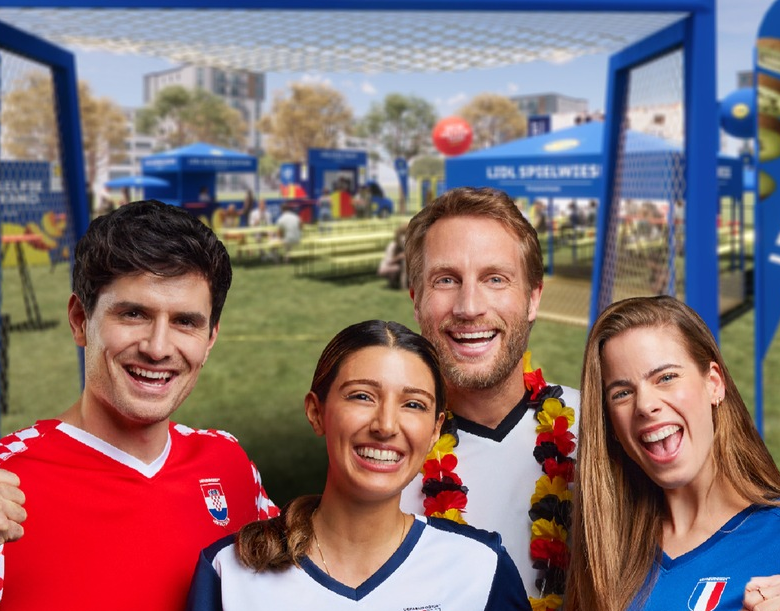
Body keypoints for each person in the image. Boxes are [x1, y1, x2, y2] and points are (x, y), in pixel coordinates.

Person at [0, 200, 278, 611]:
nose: (157, 347)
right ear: (81, 320)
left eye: (185, 322)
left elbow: (308, 572)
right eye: (134, 314)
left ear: (210, 339)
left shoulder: (229, 464)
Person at [569, 296, 780, 611]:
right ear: (610, 424)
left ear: (714, 383)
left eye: (666, 377)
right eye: (622, 393)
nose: (645, 405)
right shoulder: (604, 553)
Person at [187, 320, 529, 611]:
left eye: (413, 404)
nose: (386, 425)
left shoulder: (480, 568)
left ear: (435, 430)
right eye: (362, 396)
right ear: (316, 412)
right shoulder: (229, 572)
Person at [399, 187, 580, 610]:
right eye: (446, 280)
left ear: (533, 298)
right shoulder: (387, 454)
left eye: (495, 279)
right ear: (416, 300)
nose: (469, 306)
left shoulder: (600, 429)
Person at [377, 224, 407, 289]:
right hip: (388, 267)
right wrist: (399, 257)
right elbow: (388, 261)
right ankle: (394, 283)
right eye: (403, 234)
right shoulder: (393, 246)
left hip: (401, 267)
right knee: (398, 268)